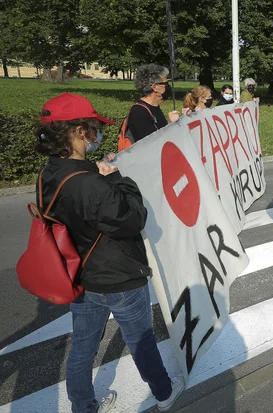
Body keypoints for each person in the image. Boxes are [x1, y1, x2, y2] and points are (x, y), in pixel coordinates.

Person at [33, 93, 185, 413]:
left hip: (80, 275)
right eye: (91, 127)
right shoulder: (89, 183)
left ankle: (83, 406)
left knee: (83, 348)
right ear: (77, 131)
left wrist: (97, 175)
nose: (95, 133)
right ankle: (164, 392)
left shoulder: (50, 174)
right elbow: (133, 219)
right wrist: (116, 178)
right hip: (120, 277)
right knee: (141, 342)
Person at [125, 64, 179, 144]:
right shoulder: (139, 112)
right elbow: (151, 145)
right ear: (154, 87)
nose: (168, 87)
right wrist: (170, 125)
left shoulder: (154, 106)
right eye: (165, 84)